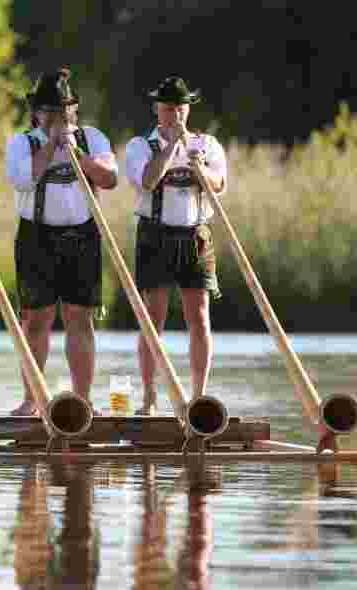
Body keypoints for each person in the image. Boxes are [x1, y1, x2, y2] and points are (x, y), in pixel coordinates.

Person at [4, 68, 118, 416]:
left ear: (73, 109)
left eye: (63, 110)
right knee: (35, 319)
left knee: (80, 318)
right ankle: (32, 400)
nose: (56, 117)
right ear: (36, 112)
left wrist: (77, 156)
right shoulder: (22, 143)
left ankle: (82, 399)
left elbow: (110, 178)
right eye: (49, 111)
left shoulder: (92, 138)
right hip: (37, 235)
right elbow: (23, 180)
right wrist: (52, 144)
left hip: (82, 234)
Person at [124, 76, 227, 416]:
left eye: (181, 108)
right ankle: (150, 397)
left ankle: (198, 396)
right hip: (155, 234)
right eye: (170, 108)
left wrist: (198, 165)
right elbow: (149, 181)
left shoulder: (207, 144)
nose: (177, 115)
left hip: (196, 234)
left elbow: (219, 186)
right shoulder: (141, 146)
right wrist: (172, 147)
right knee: (152, 319)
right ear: (158, 110)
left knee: (199, 316)